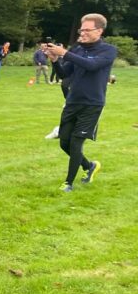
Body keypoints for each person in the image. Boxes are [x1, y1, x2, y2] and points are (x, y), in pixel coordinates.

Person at [44, 15, 117, 191]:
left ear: (99, 31)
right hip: (72, 102)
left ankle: (68, 183)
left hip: (92, 104)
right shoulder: (77, 49)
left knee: (76, 143)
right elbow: (64, 74)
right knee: (64, 142)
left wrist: (65, 53)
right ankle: (89, 166)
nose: (82, 33)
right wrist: (55, 60)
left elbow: (91, 66)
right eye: (81, 30)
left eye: (86, 30)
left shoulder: (108, 50)